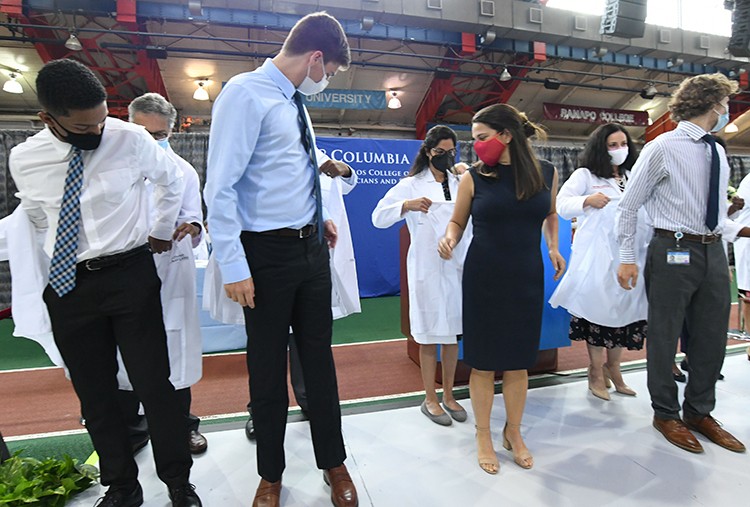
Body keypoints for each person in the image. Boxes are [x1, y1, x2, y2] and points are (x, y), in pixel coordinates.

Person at [8, 59, 201, 506]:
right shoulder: (25, 158)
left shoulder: (129, 137)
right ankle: (121, 486)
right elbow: (37, 218)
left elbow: (171, 180)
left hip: (130, 274)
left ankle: (177, 481)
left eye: (100, 121)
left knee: (156, 387)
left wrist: (159, 228)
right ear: (47, 119)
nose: (96, 132)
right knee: (96, 395)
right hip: (69, 284)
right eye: (83, 126)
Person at [203, 12, 358, 507]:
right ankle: (270, 474)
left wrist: (316, 214)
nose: (326, 80)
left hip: (311, 249)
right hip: (264, 256)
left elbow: (287, 166)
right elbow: (221, 187)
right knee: (266, 369)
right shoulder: (245, 94)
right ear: (315, 58)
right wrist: (233, 264)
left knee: (319, 364)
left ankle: (334, 463)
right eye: (329, 71)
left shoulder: (293, 102)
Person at [617, 73, 749, 455]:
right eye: (725, 104)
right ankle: (666, 413)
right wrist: (627, 258)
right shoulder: (663, 147)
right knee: (664, 333)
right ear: (713, 105)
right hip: (672, 248)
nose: (727, 111)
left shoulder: (717, 151)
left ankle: (699, 411)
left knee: (711, 335)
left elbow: (716, 216)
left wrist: (740, 231)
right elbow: (629, 206)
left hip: (711, 251)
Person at [438, 104, 566, 474]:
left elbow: (551, 213)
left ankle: (514, 432)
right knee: (482, 362)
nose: (476, 145)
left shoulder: (547, 173)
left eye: (482, 137)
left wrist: (554, 247)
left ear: (506, 135)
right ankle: (483, 435)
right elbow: (457, 221)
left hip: (526, 275)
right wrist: (448, 238)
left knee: (518, 362)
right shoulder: (474, 178)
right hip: (484, 278)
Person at [118, 92, 207, 455]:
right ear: (128, 125)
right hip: (121, 271)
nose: (152, 141)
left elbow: (196, 218)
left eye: (160, 134)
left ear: (171, 132)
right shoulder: (110, 167)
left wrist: (192, 227)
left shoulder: (183, 170)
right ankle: (131, 429)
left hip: (169, 269)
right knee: (122, 352)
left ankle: (182, 426)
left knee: (175, 350)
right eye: (143, 132)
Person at [372, 125, 469, 426]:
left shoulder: (460, 180)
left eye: (451, 152)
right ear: (429, 152)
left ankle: (450, 394)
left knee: (452, 335)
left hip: (457, 266)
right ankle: (429, 398)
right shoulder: (411, 185)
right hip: (427, 268)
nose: (447, 157)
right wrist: (406, 206)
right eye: (441, 152)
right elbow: (377, 217)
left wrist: (467, 172)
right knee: (428, 336)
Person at [550, 123, 648, 400]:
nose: (619, 150)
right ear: (600, 148)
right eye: (612, 145)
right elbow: (561, 205)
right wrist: (587, 200)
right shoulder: (585, 175)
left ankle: (614, 369)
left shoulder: (632, 175)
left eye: (623, 144)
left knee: (623, 313)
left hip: (630, 255)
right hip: (597, 258)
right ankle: (594, 371)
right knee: (597, 313)